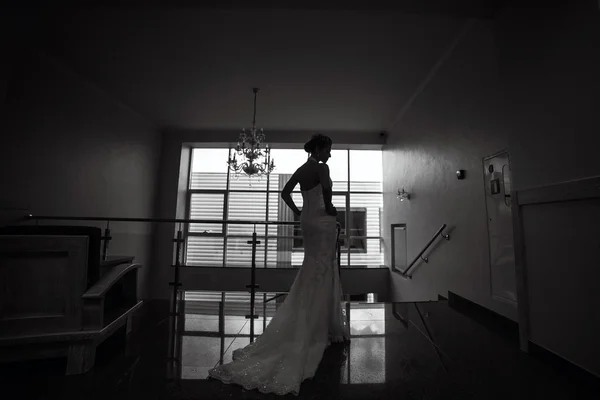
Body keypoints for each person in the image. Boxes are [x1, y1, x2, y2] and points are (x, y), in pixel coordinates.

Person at [208, 133, 350, 396]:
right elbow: (328, 193)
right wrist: (330, 208)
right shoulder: (321, 168)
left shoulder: (300, 170)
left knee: (313, 266)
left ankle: (313, 318)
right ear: (318, 149)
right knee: (325, 267)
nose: (329, 154)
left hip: (306, 222)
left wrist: (298, 211)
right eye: (328, 149)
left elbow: (285, 193)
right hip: (321, 220)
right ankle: (322, 324)